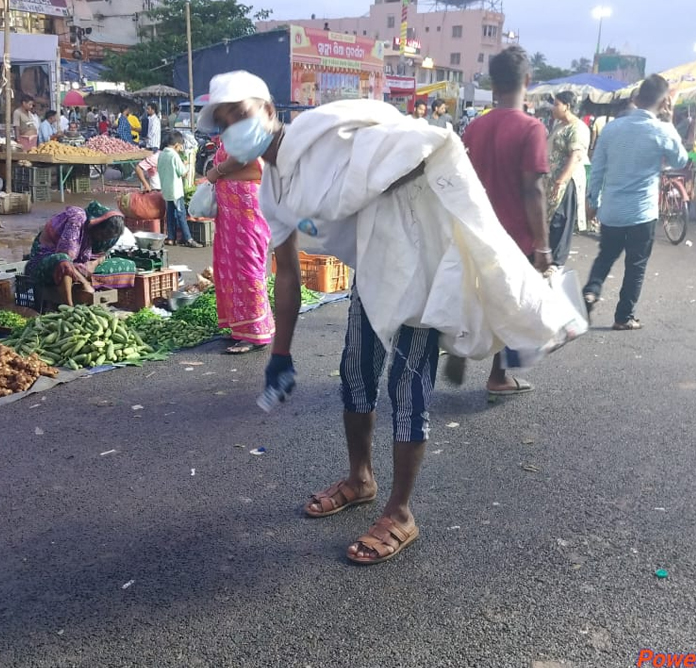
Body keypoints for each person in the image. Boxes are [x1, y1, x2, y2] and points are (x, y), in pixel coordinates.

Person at [202, 71, 581, 566]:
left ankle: (400, 513)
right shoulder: (272, 190)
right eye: (225, 122)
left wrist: (374, 183)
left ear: (269, 111)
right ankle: (360, 479)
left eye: (241, 114)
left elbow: (422, 147)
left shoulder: (325, 130)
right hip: (373, 269)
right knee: (355, 373)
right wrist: (281, 352)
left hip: (415, 260)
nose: (235, 129)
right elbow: (288, 275)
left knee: (407, 383)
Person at [458, 45, 550, 397]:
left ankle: (460, 348)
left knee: (479, 296)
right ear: (527, 80)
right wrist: (542, 245)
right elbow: (533, 191)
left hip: (478, 231)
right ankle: (499, 376)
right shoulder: (531, 128)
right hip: (516, 237)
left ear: (493, 85)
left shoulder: (474, 128)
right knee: (512, 306)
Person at [583, 74, 688, 331]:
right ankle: (624, 317)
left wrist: (592, 201)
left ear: (637, 98)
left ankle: (591, 291)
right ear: (663, 103)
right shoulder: (662, 130)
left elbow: (597, 169)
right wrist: (670, 120)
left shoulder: (612, 129)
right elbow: (680, 160)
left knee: (605, 257)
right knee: (636, 266)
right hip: (642, 213)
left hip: (612, 211)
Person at [204, 142, 274, 354]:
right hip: (232, 210)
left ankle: (254, 331)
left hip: (246, 208)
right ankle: (241, 327)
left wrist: (216, 171)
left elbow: (245, 157)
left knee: (247, 267)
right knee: (231, 268)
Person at [23, 202, 126, 306]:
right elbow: (65, 257)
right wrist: (84, 283)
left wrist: (94, 263)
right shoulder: (77, 220)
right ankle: (69, 306)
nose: (102, 239)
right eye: (102, 235)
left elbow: (103, 254)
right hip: (45, 264)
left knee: (121, 264)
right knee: (63, 262)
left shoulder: (106, 238)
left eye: (107, 237)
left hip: (77, 264)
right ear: (96, 225)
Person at [545, 91, 590, 265]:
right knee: (550, 221)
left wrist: (560, 181)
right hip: (551, 181)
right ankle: (548, 259)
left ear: (567, 106)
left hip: (566, 182)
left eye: (557, 104)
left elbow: (576, 156)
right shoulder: (559, 126)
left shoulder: (577, 128)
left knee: (559, 221)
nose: (553, 108)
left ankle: (556, 263)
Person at [158, 131, 201, 248]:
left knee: (170, 214)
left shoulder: (161, 155)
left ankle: (171, 238)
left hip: (166, 190)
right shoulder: (174, 155)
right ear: (177, 145)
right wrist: (185, 164)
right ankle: (188, 238)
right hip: (176, 191)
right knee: (181, 214)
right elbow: (182, 172)